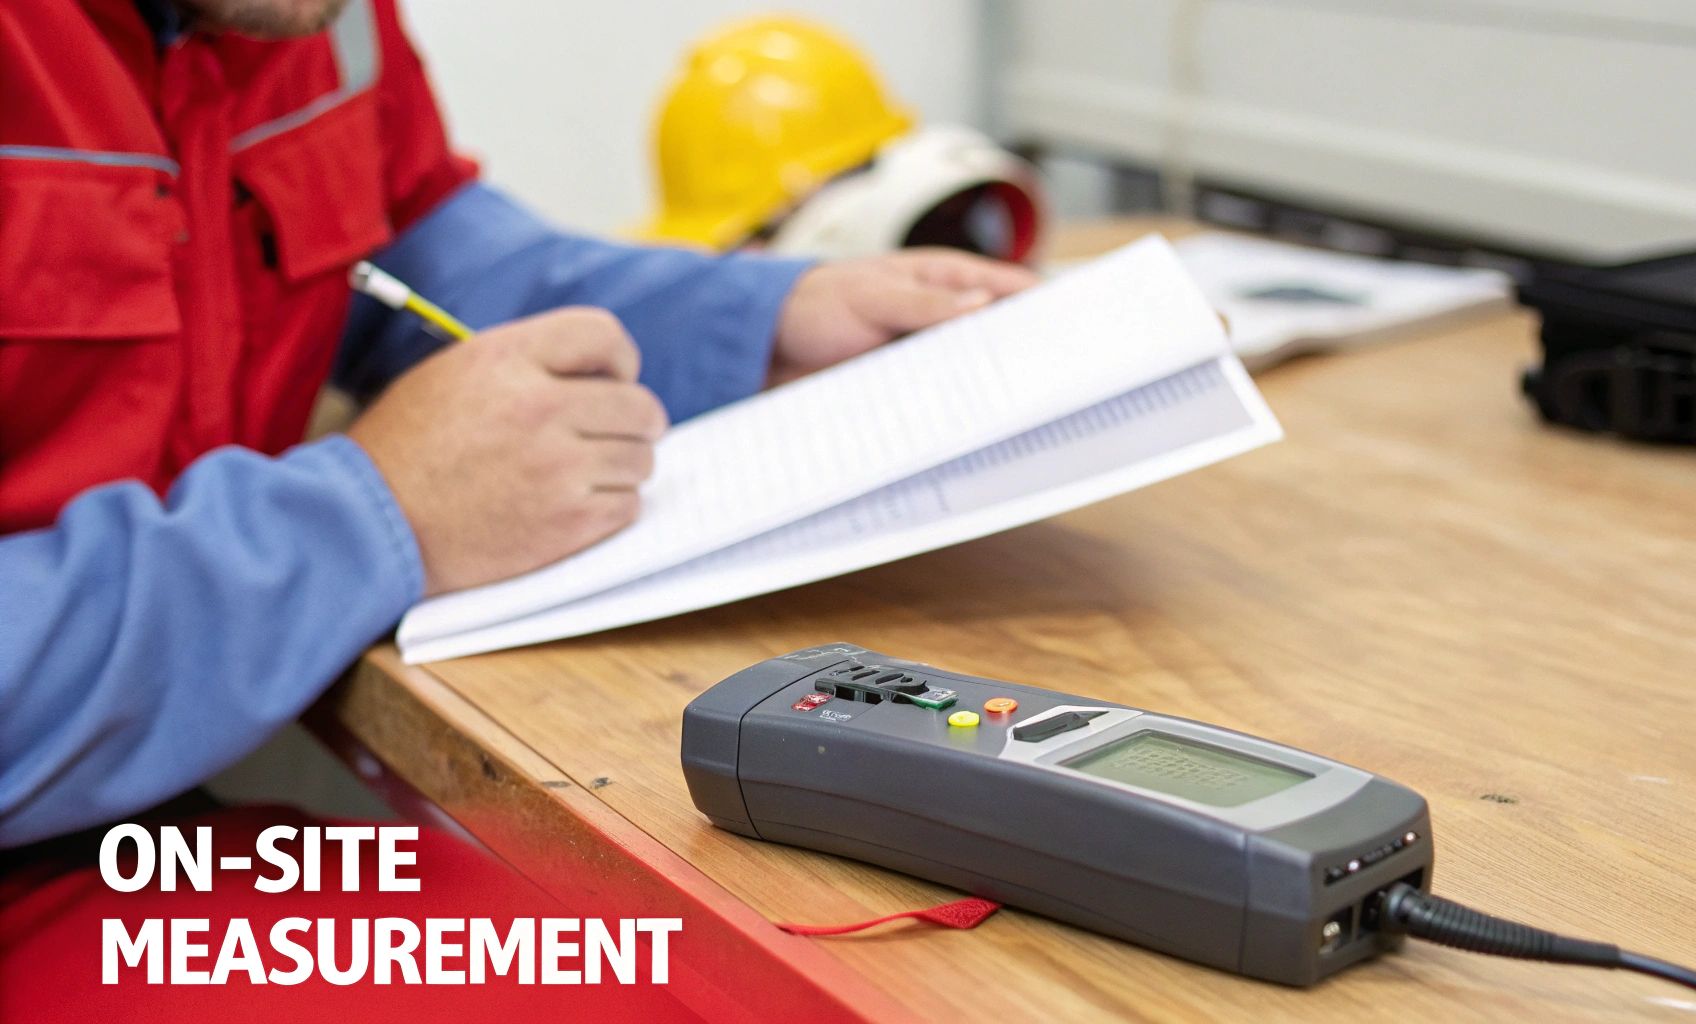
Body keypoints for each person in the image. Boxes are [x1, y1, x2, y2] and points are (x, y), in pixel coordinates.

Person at [0, 0, 1036, 849]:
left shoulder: (298, 16)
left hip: (140, 814)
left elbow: (418, 253)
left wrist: (761, 318)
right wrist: (363, 520)